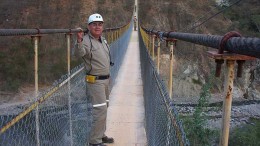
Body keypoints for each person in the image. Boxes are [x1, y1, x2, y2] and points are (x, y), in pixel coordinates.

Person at [75, 13, 114, 146]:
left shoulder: (102, 39)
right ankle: (95, 141)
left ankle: (101, 135)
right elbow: (80, 54)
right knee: (100, 110)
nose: (97, 27)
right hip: (95, 81)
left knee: (105, 107)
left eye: (100, 24)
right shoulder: (86, 40)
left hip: (106, 80)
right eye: (94, 24)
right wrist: (79, 41)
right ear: (89, 26)